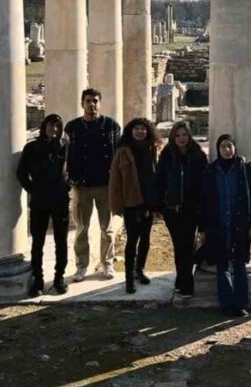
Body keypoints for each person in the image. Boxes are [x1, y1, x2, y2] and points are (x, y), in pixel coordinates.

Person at [199, 134, 251, 317]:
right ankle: (226, 304)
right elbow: (204, 201)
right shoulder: (211, 171)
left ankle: (241, 303)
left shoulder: (245, 170)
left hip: (239, 224)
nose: (227, 150)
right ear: (218, 150)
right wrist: (202, 228)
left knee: (239, 263)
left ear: (235, 148)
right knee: (222, 265)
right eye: (223, 147)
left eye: (229, 146)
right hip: (218, 224)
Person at [65, 88, 122, 281]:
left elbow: (118, 154)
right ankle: (81, 266)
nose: (92, 104)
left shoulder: (112, 126)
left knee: (107, 227)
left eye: (95, 101)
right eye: (88, 101)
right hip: (82, 186)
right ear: (82, 103)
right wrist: (69, 179)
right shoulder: (72, 127)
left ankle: (107, 263)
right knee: (82, 228)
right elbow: (66, 154)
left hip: (105, 185)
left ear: (100, 103)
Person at [16, 113, 71, 296]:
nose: (53, 129)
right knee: (37, 242)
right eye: (50, 125)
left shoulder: (65, 147)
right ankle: (38, 280)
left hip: (60, 199)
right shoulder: (32, 148)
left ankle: (59, 278)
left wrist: (68, 185)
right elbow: (21, 173)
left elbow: (74, 167)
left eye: (57, 126)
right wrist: (33, 189)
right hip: (40, 200)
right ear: (44, 127)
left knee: (61, 241)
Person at [156, 121, 208, 299]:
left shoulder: (198, 155)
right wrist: (158, 205)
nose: (181, 138)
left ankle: (184, 282)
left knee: (188, 245)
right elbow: (160, 180)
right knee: (179, 245)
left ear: (189, 136)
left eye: (184, 135)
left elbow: (204, 182)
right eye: (178, 135)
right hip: (172, 208)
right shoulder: (167, 154)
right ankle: (183, 280)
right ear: (173, 137)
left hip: (191, 208)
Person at [109, 117, 160, 294]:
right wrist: (117, 204)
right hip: (131, 202)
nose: (140, 132)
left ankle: (140, 270)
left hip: (148, 200)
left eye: (143, 129)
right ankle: (129, 278)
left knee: (145, 238)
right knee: (132, 240)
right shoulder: (123, 151)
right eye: (136, 129)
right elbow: (115, 180)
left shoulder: (153, 148)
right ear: (130, 131)